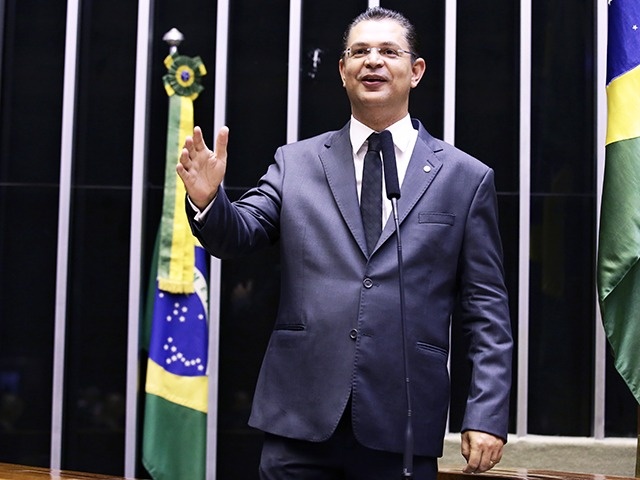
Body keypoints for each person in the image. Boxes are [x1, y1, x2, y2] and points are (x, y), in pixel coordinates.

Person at [177, 6, 513, 480]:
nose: (372, 61)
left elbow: (486, 308)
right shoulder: (296, 162)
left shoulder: (465, 177)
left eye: (388, 51)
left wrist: (486, 413)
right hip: (299, 419)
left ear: (416, 70)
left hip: (402, 422)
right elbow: (239, 234)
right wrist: (210, 200)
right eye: (360, 52)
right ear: (342, 69)